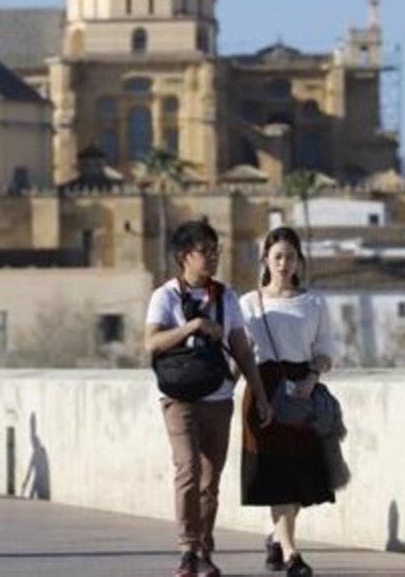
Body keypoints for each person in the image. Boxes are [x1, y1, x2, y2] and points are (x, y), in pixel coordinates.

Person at [145, 219, 273, 577]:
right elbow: (151, 343)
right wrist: (192, 326)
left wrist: (259, 395)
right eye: (206, 251)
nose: (213, 257)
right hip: (178, 398)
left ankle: (203, 548)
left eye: (216, 251)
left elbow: (243, 351)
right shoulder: (165, 296)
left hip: (218, 397)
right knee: (187, 469)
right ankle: (187, 548)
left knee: (209, 479)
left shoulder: (226, 296)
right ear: (185, 256)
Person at [238, 227, 343, 577]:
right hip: (263, 391)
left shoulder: (313, 302)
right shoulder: (249, 303)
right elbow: (240, 353)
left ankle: (275, 537)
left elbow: (326, 349)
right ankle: (292, 554)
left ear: (300, 261)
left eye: (290, 257)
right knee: (277, 477)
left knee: (299, 479)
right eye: (278, 256)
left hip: (302, 392)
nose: (284, 263)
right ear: (266, 260)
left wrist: (312, 378)